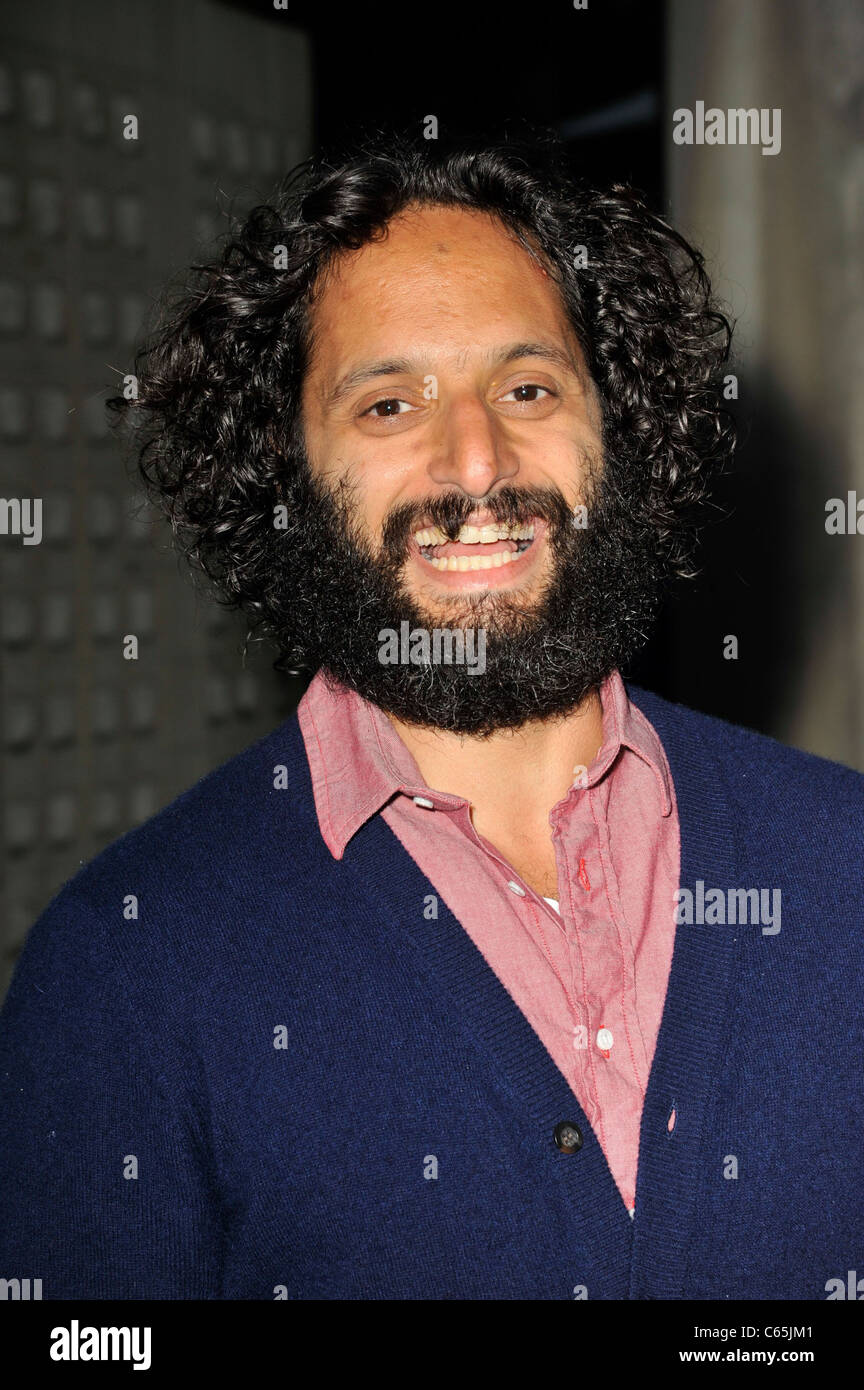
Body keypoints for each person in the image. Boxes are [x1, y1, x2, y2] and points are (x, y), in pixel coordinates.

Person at [1, 132, 862, 1301]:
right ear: (284, 474)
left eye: (526, 387)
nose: (475, 460)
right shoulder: (123, 968)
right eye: (390, 402)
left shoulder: (843, 858)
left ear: (618, 425)